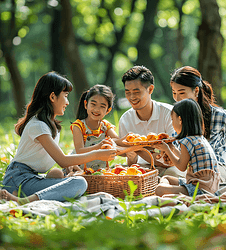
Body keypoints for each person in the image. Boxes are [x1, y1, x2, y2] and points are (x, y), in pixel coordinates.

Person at [0, 72, 116, 204]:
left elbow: (59, 159)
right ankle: (24, 200)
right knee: (79, 183)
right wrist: (98, 154)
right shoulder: (37, 125)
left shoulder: (48, 125)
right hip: (18, 179)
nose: (67, 102)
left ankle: (23, 196)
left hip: (31, 177)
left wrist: (70, 167)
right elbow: (62, 160)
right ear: (53, 97)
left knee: (58, 174)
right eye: (65, 96)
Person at [118, 65, 184, 177]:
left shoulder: (169, 114)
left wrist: (139, 149)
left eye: (136, 91)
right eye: (127, 92)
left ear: (150, 89)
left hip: (171, 168)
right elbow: (131, 161)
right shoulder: (125, 120)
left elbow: (177, 156)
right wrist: (134, 153)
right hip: (142, 169)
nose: (131, 97)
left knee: (173, 176)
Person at [154, 98, 220, 197]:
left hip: (200, 189)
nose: (172, 123)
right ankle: (172, 193)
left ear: (180, 120)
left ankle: (171, 194)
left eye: (172, 119)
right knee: (167, 178)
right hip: (209, 186)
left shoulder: (187, 141)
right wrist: (172, 148)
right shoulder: (199, 139)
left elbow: (181, 166)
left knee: (159, 189)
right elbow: (184, 158)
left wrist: (167, 149)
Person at [170, 66, 226, 182]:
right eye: (174, 93)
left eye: (181, 92)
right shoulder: (179, 117)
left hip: (216, 168)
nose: (177, 99)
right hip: (190, 168)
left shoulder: (220, 116)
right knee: (169, 172)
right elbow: (179, 154)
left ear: (196, 91)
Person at [70, 84, 119, 170]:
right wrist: (99, 146)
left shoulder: (105, 126)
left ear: (108, 110)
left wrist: (130, 141)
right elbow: (79, 151)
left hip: (99, 172)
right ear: (86, 104)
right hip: (78, 170)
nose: (97, 109)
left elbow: (117, 141)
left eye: (102, 106)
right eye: (93, 104)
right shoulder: (78, 126)